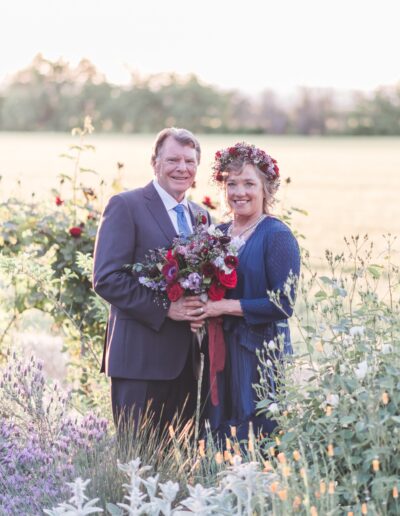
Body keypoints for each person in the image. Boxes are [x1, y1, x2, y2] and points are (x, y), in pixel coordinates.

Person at [93, 127, 209, 433]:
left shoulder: (202, 216)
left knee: (175, 469)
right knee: (137, 465)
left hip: (186, 364)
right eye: (173, 160)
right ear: (154, 162)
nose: (182, 168)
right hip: (139, 362)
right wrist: (166, 308)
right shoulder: (126, 206)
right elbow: (107, 278)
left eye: (189, 161)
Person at [189, 142, 301, 441]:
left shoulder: (277, 236)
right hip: (219, 348)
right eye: (232, 183)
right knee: (215, 430)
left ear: (267, 188)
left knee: (253, 433)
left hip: (259, 354)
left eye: (249, 183)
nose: (239, 192)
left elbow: (283, 304)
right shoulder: (219, 234)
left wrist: (222, 307)